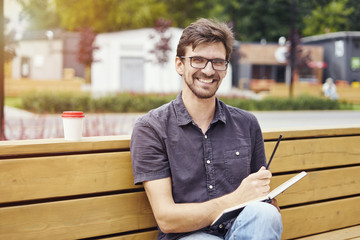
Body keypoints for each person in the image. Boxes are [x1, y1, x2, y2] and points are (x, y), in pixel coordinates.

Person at [131, 18, 282, 240]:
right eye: (198, 60)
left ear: (226, 68)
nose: (209, 70)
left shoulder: (247, 124)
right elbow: (167, 218)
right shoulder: (151, 128)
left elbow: (260, 197)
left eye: (218, 62)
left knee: (266, 214)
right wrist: (236, 199)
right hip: (187, 236)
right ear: (179, 65)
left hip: (241, 231)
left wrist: (269, 204)